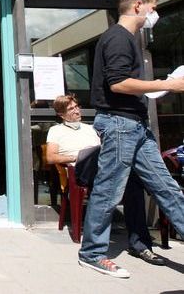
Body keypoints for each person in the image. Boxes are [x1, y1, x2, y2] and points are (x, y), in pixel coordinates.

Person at [78, 0, 184, 278]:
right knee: (109, 190)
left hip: (133, 125)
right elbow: (118, 83)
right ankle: (92, 253)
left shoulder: (127, 39)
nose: (155, 14)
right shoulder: (118, 38)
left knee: (167, 188)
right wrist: (168, 84)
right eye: (153, 7)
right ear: (139, 6)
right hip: (120, 125)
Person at [46, 94, 163, 266]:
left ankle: (140, 244)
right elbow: (50, 157)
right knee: (101, 159)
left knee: (133, 185)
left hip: (103, 169)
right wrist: (78, 156)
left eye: (77, 106)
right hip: (81, 171)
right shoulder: (56, 131)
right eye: (71, 109)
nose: (77, 110)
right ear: (61, 114)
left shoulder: (91, 128)